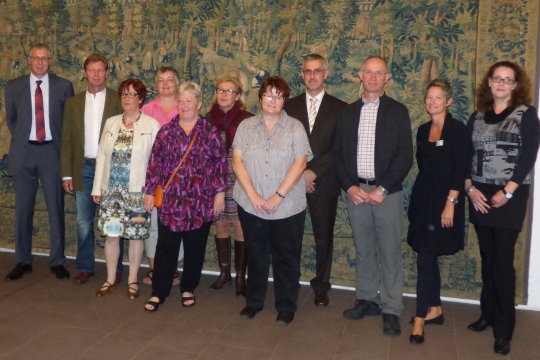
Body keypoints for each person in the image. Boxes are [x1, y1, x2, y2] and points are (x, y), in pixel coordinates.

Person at [334, 56, 413, 336]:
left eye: (379, 73)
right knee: (364, 249)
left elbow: (405, 156)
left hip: (387, 194)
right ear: (360, 75)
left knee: (390, 251)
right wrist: (350, 187)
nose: (373, 77)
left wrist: (382, 189)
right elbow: (339, 155)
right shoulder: (347, 113)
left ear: (387, 78)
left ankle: (391, 308)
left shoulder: (398, 111)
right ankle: (367, 299)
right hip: (356, 193)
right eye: (369, 72)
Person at [465, 61, 539, 355]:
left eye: (508, 80)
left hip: (511, 194)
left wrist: (507, 192)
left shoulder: (526, 115)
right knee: (487, 257)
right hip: (480, 193)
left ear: (516, 85)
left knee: (503, 262)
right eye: (497, 78)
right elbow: (466, 154)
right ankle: (488, 314)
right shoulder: (477, 116)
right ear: (489, 82)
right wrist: (470, 189)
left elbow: (528, 155)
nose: (502, 84)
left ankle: (504, 328)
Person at [233, 76, 312, 326]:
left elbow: (301, 163)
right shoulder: (246, 126)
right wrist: (254, 196)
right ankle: (253, 302)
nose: (273, 100)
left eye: (278, 96)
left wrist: (278, 196)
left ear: (284, 100)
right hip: (251, 205)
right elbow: (237, 162)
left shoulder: (295, 127)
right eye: (268, 95)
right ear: (260, 98)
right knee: (256, 255)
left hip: (287, 207)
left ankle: (286, 306)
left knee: (286, 257)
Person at [143, 82, 227, 311]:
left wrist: (220, 194)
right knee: (165, 248)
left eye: (188, 100)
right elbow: (154, 164)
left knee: (195, 249)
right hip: (171, 202)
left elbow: (219, 164)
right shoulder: (166, 131)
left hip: (201, 202)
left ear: (199, 103)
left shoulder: (210, 132)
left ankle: (188, 288)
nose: (183, 105)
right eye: (180, 100)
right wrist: (150, 191)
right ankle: (158, 292)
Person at [5, 43, 74, 281]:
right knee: (23, 210)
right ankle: (22, 261)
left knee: (55, 208)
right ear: (29, 60)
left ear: (50, 61)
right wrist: (28, 139)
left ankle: (57, 261)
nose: (40, 62)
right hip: (24, 154)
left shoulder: (64, 86)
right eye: (36, 58)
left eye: (44, 58)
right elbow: (13, 120)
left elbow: (68, 123)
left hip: (51, 153)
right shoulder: (14, 87)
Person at [407, 80, 468, 344]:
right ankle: (435, 308)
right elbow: (423, 166)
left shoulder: (458, 130)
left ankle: (420, 318)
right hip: (423, 202)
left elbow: (460, 170)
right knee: (426, 255)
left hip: (446, 202)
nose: (432, 102)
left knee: (425, 258)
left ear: (448, 101)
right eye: (429, 97)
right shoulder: (422, 130)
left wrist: (450, 203)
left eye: (437, 97)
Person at [284, 53, 347, 306]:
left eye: (317, 71)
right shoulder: (288, 107)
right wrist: (300, 174)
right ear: (302, 75)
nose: (312, 75)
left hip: (326, 181)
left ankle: (321, 285)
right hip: (291, 182)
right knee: (291, 234)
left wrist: (313, 172)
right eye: (307, 71)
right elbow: (283, 145)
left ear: (325, 74)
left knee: (324, 235)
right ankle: (290, 281)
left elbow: (340, 148)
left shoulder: (341, 108)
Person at [91, 79, 160, 299]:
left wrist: (150, 191)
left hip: (137, 191)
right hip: (112, 191)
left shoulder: (152, 125)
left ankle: (132, 280)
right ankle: (110, 278)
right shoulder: (111, 123)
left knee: (136, 236)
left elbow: (156, 162)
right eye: (123, 94)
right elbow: (101, 156)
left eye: (131, 95)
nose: (126, 98)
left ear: (141, 99)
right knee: (112, 235)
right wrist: (97, 188)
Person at [61, 54, 124, 285]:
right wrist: (66, 173)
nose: (96, 74)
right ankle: (86, 266)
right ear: (85, 73)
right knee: (84, 221)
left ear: (107, 73)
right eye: (91, 70)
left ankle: (115, 268)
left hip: (110, 169)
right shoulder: (73, 104)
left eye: (100, 70)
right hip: (83, 168)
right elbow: (66, 139)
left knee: (114, 218)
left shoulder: (119, 101)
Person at [205, 75, 253, 296]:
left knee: (240, 225)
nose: (224, 94)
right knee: (221, 223)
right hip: (214, 178)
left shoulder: (248, 120)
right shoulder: (207, 118)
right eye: (220, 90)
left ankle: (241, 276)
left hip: (239, 177)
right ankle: (224, 274)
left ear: (238, 96)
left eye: (229, 91)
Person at [141, 66, 182, 287]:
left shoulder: (185, 107)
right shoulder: (146, 110)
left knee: (176, 224)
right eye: (160, 80)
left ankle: (172, 269)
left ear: (177, 83)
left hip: (180, 179)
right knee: (154, 224)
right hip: (153, 175)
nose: (165, 84)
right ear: (155, 84)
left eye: (170, 80)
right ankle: (155, 268)